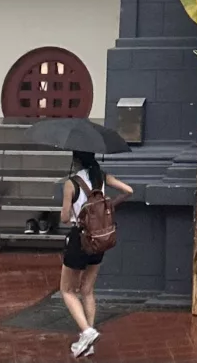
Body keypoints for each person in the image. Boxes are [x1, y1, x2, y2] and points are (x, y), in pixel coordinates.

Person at [59, 150, 133, 358]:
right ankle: (88, 342)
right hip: (99, 239)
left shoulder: (71, 183)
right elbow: (129, 190)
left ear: (75, 161)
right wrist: (109, 205)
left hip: (79, 239)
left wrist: (73, 210)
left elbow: (65, 217)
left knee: (67, 290)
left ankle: (87, 331)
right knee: (87, 290)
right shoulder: (102, 177)